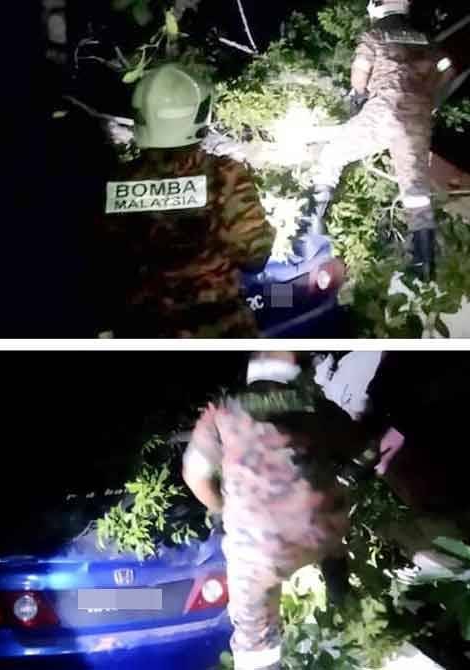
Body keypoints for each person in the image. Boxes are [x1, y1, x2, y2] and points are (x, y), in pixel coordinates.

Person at [181, 352, 370, 670]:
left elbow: (194, 476)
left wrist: (222, 511)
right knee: (327, 523)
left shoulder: (222, 413)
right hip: (320, 530)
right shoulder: (315, 406)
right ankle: (343, 595)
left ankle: (261, 659)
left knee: (253, 630)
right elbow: (363, 447)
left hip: (261, 550)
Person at [92, 63, 275, 338]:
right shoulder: (224, 175)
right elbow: (255, 256)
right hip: (219, 335)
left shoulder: (113, 182)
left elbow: (101, 265)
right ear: (200, 113)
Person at [305, 0, 452, 279]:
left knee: (332, 155)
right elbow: (448, 69)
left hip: (384, 111)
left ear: (378, 8)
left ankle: (311, 224)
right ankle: (424, 264)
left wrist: (358, 98)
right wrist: (430, 100)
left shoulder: (374, 35)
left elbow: (360, 75)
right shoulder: (425, 40)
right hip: (417, 120)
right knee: (415, 188)